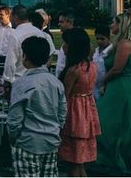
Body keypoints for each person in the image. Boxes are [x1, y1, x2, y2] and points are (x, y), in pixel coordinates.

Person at [7, 36, 67, 178]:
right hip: (51, 141)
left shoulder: (21, 84)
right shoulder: (56, 82)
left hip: (28, 142)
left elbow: (14, 119)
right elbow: (62, 113)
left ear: (25, 57)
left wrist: (14, 138)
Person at [58, 28, 100, 177]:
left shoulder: (73, 70)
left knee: (73, 160)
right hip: (87, 110)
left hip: (74, 114)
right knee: (80, 160)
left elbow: (64, 95)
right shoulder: (91, 66)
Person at [95, 13, 131, 175]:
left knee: (105, 122)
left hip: (120, 86)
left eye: (113, 22)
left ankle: (113, 157)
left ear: (121, 24)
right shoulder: (120, 43)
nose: (110, 26)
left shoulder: (125, 44)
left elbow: (117, 68)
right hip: (118, 85)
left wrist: (102, 81)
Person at [3, 7, 55, 91]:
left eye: (10, 16)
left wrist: (7, 82)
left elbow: (10, 63)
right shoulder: (40, 33)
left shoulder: (15, 35)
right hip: (40, 81)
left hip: (20, 83)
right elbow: (50, 54)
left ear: (15, 17)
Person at [92, 24, 112, 101]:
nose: (99, 41)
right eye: (97, 39)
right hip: (94, 86)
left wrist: (105, 84)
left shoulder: (111, 51)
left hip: (105, 86)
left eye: (102, 39)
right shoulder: (96, 51)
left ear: (108, 38)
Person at [55, 11, 76, 78]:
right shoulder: (66, 38)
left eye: (61, 22)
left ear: (70, 22)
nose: (59, 24)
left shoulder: (76, 39)